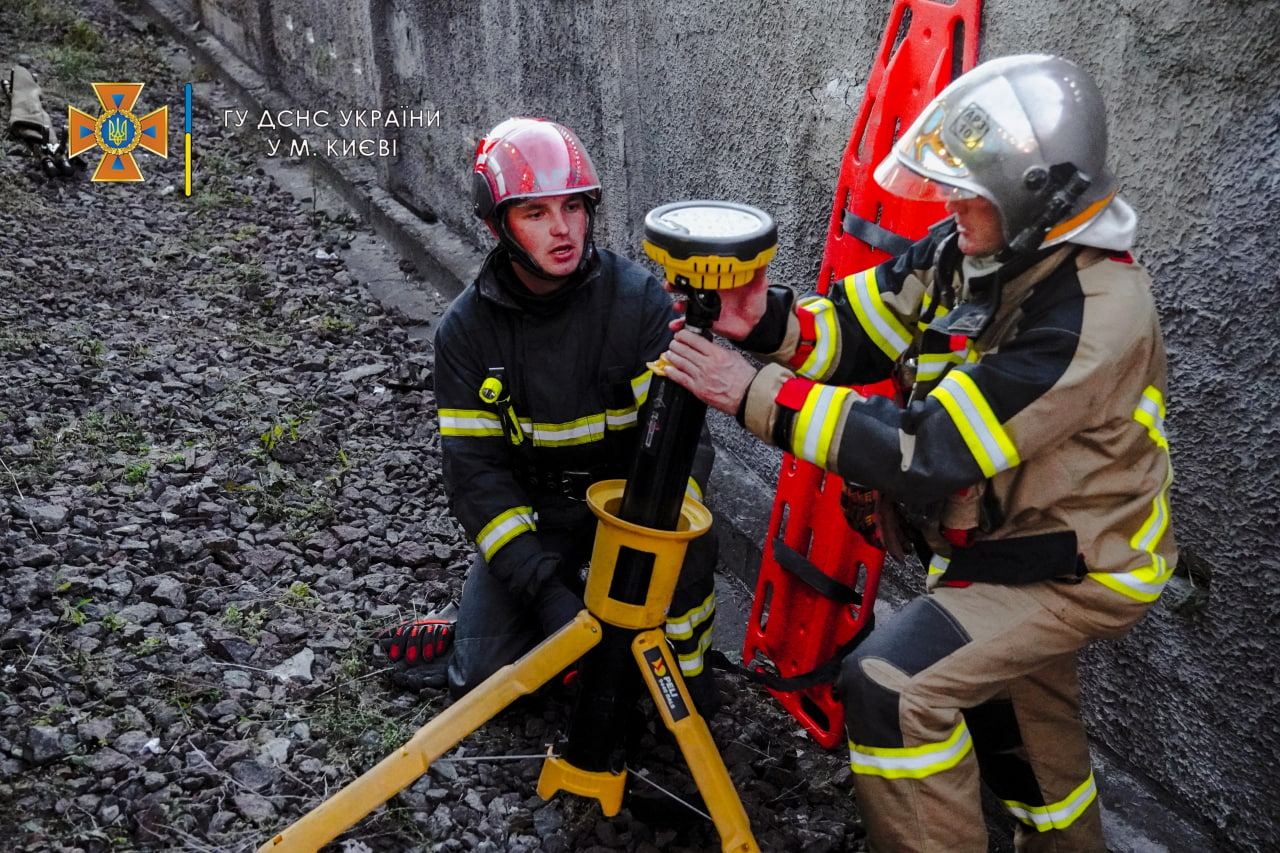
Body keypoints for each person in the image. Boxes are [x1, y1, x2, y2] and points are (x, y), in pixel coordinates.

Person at [661, 55, 1174, 851]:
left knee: (891, 686)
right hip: (1010, 549)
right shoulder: (974, 250)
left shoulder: (1092, 315)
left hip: (1069, 567)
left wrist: (751, 389)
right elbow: (864, 326)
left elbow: (929, 449)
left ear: (1032, 191)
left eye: (970, 186)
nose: (948, 201)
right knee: (1028, 747)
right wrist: (764, 325)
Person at [380, 117, 719, 713]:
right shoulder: (466, 334)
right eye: (535, 213)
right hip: (540, 522)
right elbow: (477, 481)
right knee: (484, 682)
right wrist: (547, 594)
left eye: (573, 207)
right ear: (497, 227)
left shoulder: (638, 303)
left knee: (645, 684)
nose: (562, 230)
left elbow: (687, 444)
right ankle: (481, 633)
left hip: (632, 515)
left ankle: (691, 690)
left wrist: (654, 531)